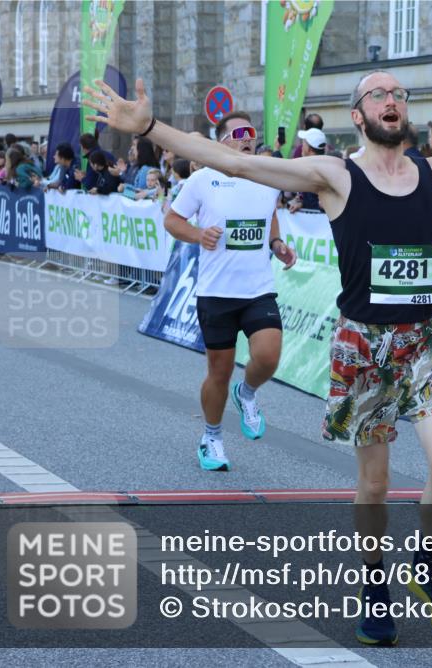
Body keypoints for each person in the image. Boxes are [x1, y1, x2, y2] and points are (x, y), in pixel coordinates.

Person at [84, 66, 432, 643]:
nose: (392, 99)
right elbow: (232, 162)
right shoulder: (334, 175)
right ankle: (374, 585)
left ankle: (426, 565)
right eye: (378, 94)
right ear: (358, 115)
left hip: (425, 340)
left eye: (398, 93)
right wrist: (151, 128)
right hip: (364, 346)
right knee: (376, 486)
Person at [159, 110, 296, 471]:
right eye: (239, 134)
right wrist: (198, 235)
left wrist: (277, 243)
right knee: (218, 372)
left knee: (268, 357)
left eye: (251, 132)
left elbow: (270, 214)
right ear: (221, 142)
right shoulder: (203, 180)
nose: (248, 138)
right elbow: (172, 220)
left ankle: (246, 392)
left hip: (258, 290)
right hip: (216, 292)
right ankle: (212, 437)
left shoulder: (267, 175)